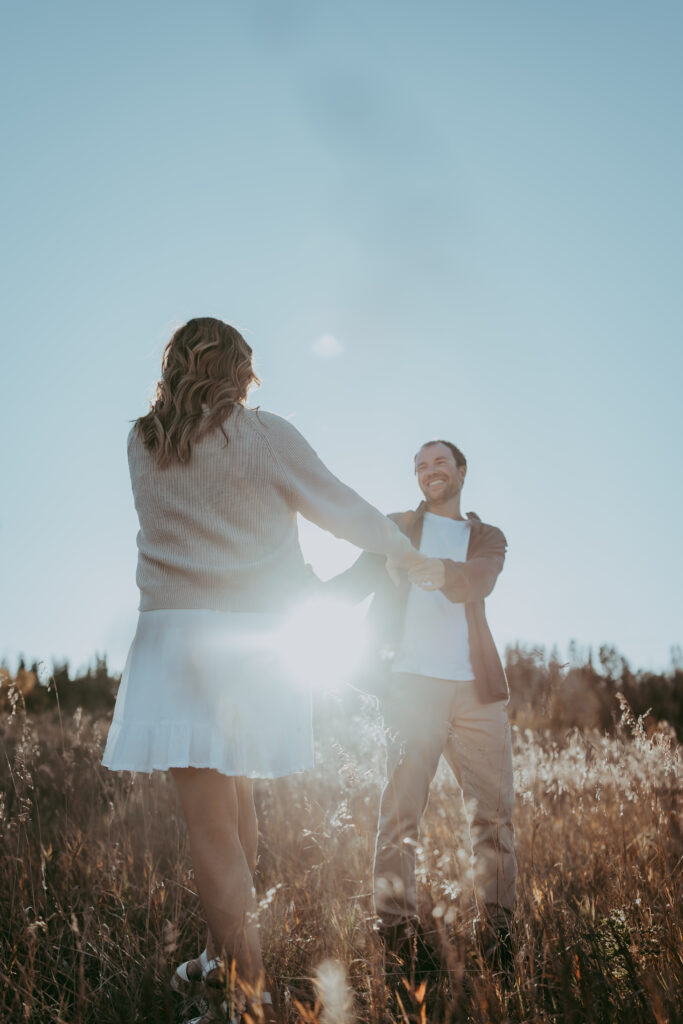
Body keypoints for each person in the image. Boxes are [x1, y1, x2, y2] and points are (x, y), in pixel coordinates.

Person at [101, 317, 426, 1023]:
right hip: (253, 645)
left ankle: (246, 999)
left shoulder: (141, 440)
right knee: (237, 802)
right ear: (242, 372)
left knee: (211, 820)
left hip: (175, 642)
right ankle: (228, 970)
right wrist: (404, 548)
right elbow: (339, 507)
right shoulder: (265, 435)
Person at [327, 440, 516, 973]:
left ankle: (498, 933)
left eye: (440, 462)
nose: (430, 471)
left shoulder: (486, 537)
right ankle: (396, 932)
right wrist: (302, 594)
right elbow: (356, 581)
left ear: (461, 471)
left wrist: (439, 573)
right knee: (401, 814)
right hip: (411, 688)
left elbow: (481, 578)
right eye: (421, 465)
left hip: (477, 693)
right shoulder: (396, 528)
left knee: (495, 817)